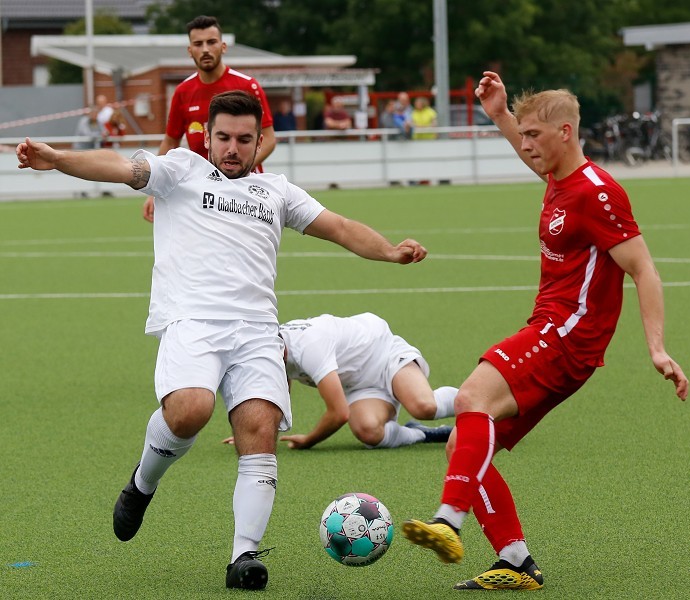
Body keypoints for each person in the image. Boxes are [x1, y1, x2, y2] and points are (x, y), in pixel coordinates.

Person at [16, 90, 427, 591]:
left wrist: (389, 251)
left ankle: (243, 556)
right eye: (224, 138)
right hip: (193, 322)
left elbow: (338, 227)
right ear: (207, 138)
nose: (233, 148)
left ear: (259, 143)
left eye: (244, 140)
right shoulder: (180, 170)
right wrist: (57, 159)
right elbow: (120, 166)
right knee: (189, 409)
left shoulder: (276, 191)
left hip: (257, 331)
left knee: (260, 431)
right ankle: (141, 485)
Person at [401, 71, 689, 591]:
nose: (526, 145)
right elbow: (532, 150)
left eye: (535, 136)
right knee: (469, 443)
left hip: (567, 335)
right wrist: (500, 116)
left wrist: (657, 347)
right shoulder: (560, 178)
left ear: (566, 133)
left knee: (471, 397)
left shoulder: (597, 193)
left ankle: (447, 520)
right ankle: (516, 563)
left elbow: (643, 269)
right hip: (554, 333)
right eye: (524, 137)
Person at [223, 312, 457, 450]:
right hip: (358, 384)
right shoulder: (274, 351)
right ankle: (422, 434)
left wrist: (309, 441)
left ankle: (477, 398)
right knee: (368, 433)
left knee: (423, 406)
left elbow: (339, 413)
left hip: (384, 354)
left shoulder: (310, 346)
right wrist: (257, 429)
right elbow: (279, 389)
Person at [141, 15, 276, 223]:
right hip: (203, 192)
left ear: (223, 47)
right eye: (198, 43)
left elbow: (268, 139)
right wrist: (154, 188)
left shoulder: (248, 86)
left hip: (246, 189)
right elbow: (170, 141)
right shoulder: (183, 92)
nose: (205, 49)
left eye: (211, 42)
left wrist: (236, 171)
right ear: (190, 51)